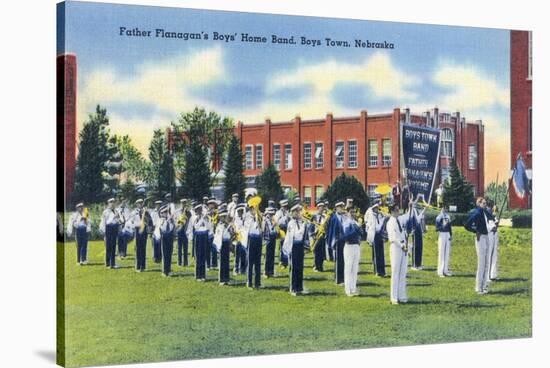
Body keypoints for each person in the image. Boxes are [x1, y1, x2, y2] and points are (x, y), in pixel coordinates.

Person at [464, 197, 491, 294]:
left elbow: (491, 220)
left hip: (487, 236)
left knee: (487, 262)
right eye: (483, 203)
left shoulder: (485, 212)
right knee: (481, 263)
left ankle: (484, 286)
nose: (485, 204)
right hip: (480, 238)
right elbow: (467, 225)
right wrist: (475, 231)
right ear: (479, 204)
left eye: (485, 203)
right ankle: (478, 287)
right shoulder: (477, 213)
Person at [283, 204, 309, 295]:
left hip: (300, 246)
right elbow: (295, 234)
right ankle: (293, 288)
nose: (298, 213)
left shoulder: (302, 222)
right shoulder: (291, 223)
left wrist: (305, 224)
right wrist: (304, 225)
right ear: (293, 213)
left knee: (300, 267)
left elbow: (304, 235)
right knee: (294, 268)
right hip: (293, 245)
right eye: (296, 212)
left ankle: (299, 287)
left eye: (299, 211)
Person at [342, 207, 363, 296]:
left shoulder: (355, 222)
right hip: (349, 246)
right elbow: (346, 236)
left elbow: (362, 233)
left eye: (354, 212)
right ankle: (348, 290)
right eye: (351, 212)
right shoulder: (346, 222)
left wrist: (360, 228)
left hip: (356, 246)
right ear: (347, 213)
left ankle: (353, 288)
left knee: (355, 269)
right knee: (348, 268)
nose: (353, 214)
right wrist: (356, 229)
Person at [189, 203, 212, 281]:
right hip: (198, 236)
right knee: (198, 256)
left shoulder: (206, 218)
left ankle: (203, 275)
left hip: (204, 235)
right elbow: (196, 227)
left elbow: (209, 227)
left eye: (200, 210)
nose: (200, 211)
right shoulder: (193, 218)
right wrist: (202, 218)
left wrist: (206, 219)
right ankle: (198, 275)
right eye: (198, 210)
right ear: (196, 211)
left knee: (204, 255)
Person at [365, 201, 387, 277]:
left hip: (380, 234)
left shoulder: (380, 215)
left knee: (381, 254)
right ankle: (377, 271)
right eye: (375, 208)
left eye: (377, 208)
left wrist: (383, 216)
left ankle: (382, 271)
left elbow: (383, 223)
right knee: (376, 254)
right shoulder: (371, 215)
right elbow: (368, 225)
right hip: (374, 235)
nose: (377, 209)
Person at [244, 204, 263, 289]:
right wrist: (254, 218)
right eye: (254, 208)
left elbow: (262, 228)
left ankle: (257, 282)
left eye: (256, 208)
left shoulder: (259, 216)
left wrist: (258, 218)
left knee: (258, 262)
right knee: (250, 261)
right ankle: (249, 282)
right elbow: (247, 228)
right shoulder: (247, 217)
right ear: (251, 209)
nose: (255, 210)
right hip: (251, 238)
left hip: (258, 238)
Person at [99, 198, 121, 269]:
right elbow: (104, 222)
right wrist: (104, 231)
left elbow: (117, 220)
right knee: (108, 246)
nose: (113, 204)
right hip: (108, 229)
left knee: (114, 246)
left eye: (114, 202)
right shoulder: (106, 212)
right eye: (111, 202)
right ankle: (108, 263)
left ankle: (113, 263)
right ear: (108, 203)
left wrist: (118, 220)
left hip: (114, 228)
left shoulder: (116, 211)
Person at [213, 210, 232, 285]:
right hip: (221, 244)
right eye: (222, 217)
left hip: (227, 242)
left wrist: (228, 226)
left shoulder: (228, 225)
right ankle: (221, 279)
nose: (224, 218)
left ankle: (227, 279)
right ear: (220, 218)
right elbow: (217, 236)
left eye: (225, 217)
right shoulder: (219, 225)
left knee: (226, 261)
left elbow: (231, 233)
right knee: (221, 262)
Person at [132, 198, 150, 272]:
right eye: (139, 203)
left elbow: (149, 221)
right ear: (136, 204)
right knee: (138, 248)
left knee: (143, 248)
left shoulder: (145, 212)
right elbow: (132, 221)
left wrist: (145, 214)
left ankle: (143, 266)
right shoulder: (134, 212)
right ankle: (138, 266)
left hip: (144, 230)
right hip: (137, 229)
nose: (140, 204)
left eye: (141, 203)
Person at [435, 206, 453, 277]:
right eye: (443, 208)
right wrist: (443, 226)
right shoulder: (438, 217)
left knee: (447, 252)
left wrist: (451, 234)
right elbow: (436, 228)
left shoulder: (448, 216)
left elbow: (450, 227)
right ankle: (440, 271)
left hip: (447, 234)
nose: (444, 209)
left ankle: (445, 270)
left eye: (445, 208)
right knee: (441, 252)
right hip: (442, 234)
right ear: (441, 209)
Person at [332, 201, 347, 284]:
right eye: (340, 207)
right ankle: (338, 279)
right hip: (337, 241)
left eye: (343, 207)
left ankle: (344, 278)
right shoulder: (334, 218)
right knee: (338, 260)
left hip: (344, 240)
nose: (342, 209)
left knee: (344, 259)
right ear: (337, 208)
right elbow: (333, 230)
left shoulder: (345, 216)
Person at [311, 201, 328, 272]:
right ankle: (316, 266)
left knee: (321, 252)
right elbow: (310, 226)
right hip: (315, 235)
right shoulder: (314, 216)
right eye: (320, 207)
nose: (322, 209)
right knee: (316, 251)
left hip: (322, 235)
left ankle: (320, 266)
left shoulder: (325, 216)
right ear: (318, 208)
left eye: (323, 207)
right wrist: (312, 234)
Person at [159, 204, 175, 277]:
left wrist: (171, 220)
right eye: (164, 212)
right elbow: (162, 228)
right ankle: (164, 271)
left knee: (169, 254)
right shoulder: (160, 220)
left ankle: (168, 270)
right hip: (164, 237)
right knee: (165, 255)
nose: (166, 213)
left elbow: (172, 228)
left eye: (166, 212)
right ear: (161, 213)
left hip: (170, 237)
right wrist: (166, 220)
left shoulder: (170, 220)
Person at [486, 201, 500, 281]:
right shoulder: (486, 215)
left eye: (491, 207)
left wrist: (496, 222)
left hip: (495, 235)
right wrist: (492, 227)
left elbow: (496, 224)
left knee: (494, 255)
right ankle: (487, 276)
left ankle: (493, 274)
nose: (490, 209)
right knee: (489, 255)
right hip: (489, 235)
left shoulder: (493, 215)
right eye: (490, 207)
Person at [410, 202, 427, 270]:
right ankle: (414, 264)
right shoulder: (413, 210)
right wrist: (424, 209)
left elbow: (421, 218)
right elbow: (417, 218)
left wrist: (425, 209)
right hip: (415, 230)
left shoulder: (418, 210)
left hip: (419, 230)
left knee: (420, 247)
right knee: (415, 247)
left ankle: (419, 264)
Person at [274, 199, 290, 268]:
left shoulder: (287, 212)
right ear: (281, 206)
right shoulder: (278, 213)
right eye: (284, 206)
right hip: (281, 229)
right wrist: (283, 218)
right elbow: (276, 222)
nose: (285, 207)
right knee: (282, 245)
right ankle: (282, 261)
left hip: (287, 229)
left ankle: (285, 261)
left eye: (286, 206)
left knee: (286, 245)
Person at [233, 204, 248, 275]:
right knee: (237, 255)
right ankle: (236, 269)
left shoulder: (245, 219)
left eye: (241, 211)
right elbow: (236, 228)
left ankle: (243, 269)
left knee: (243, 254)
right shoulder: (235, 219)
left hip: (244, 238)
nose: (240, 213)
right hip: (238, 238)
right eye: (239, 211)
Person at [263, 206, 278, 278]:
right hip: (267, 238)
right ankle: (266, 271)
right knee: (267, 255)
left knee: (272, 255)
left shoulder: (273, 220)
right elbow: (264, 230)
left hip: (273, 237)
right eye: (270, 214)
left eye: (272, 214)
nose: (272, 215)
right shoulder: (265, 220)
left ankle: (271, 271)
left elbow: (276, 229)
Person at [175, 198, 191, 267]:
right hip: (179, 230)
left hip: (185, 230)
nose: (183, 204)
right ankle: (179, 262)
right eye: (182, 203)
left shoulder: (188, 212)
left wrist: (186, 212)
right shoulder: (178, 211)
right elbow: (176, 220)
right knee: (179, 247)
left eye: (184, 203)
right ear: (180, 203)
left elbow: (190, 220)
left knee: (185, 247)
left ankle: (185, 262)